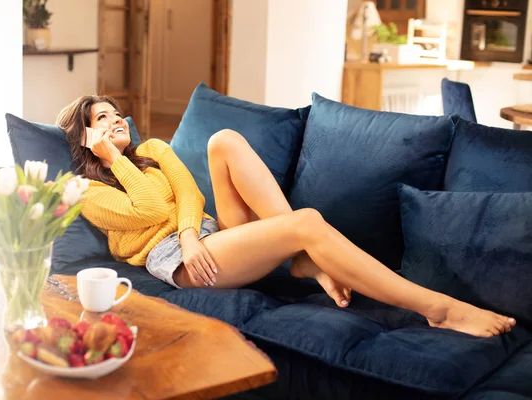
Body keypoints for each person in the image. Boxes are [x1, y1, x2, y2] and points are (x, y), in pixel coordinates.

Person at [57, 95, 516, 338]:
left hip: (205, 237)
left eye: (118, 113)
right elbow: (152, 209)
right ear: (85, 136)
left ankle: (307, 261)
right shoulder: (86, 190)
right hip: (177, 260)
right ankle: (437, 308)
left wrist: (194, 232)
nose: (118, 120)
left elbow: (189, 193)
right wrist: (114, 161)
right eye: (103, 118)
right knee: (307, 222)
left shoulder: (153, 149)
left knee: (224, 141)